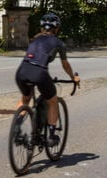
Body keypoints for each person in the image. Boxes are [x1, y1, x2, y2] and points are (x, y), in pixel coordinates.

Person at [15, 13, 80, 144]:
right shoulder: (59, 43)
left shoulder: (34, 39)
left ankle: (16, 129)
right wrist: (73, 77)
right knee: (52, 101)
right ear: (57, 29)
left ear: (42, 28)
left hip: (22, 71)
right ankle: (51, 136)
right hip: (39, 73)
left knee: (25, 98)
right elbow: (65, 64)